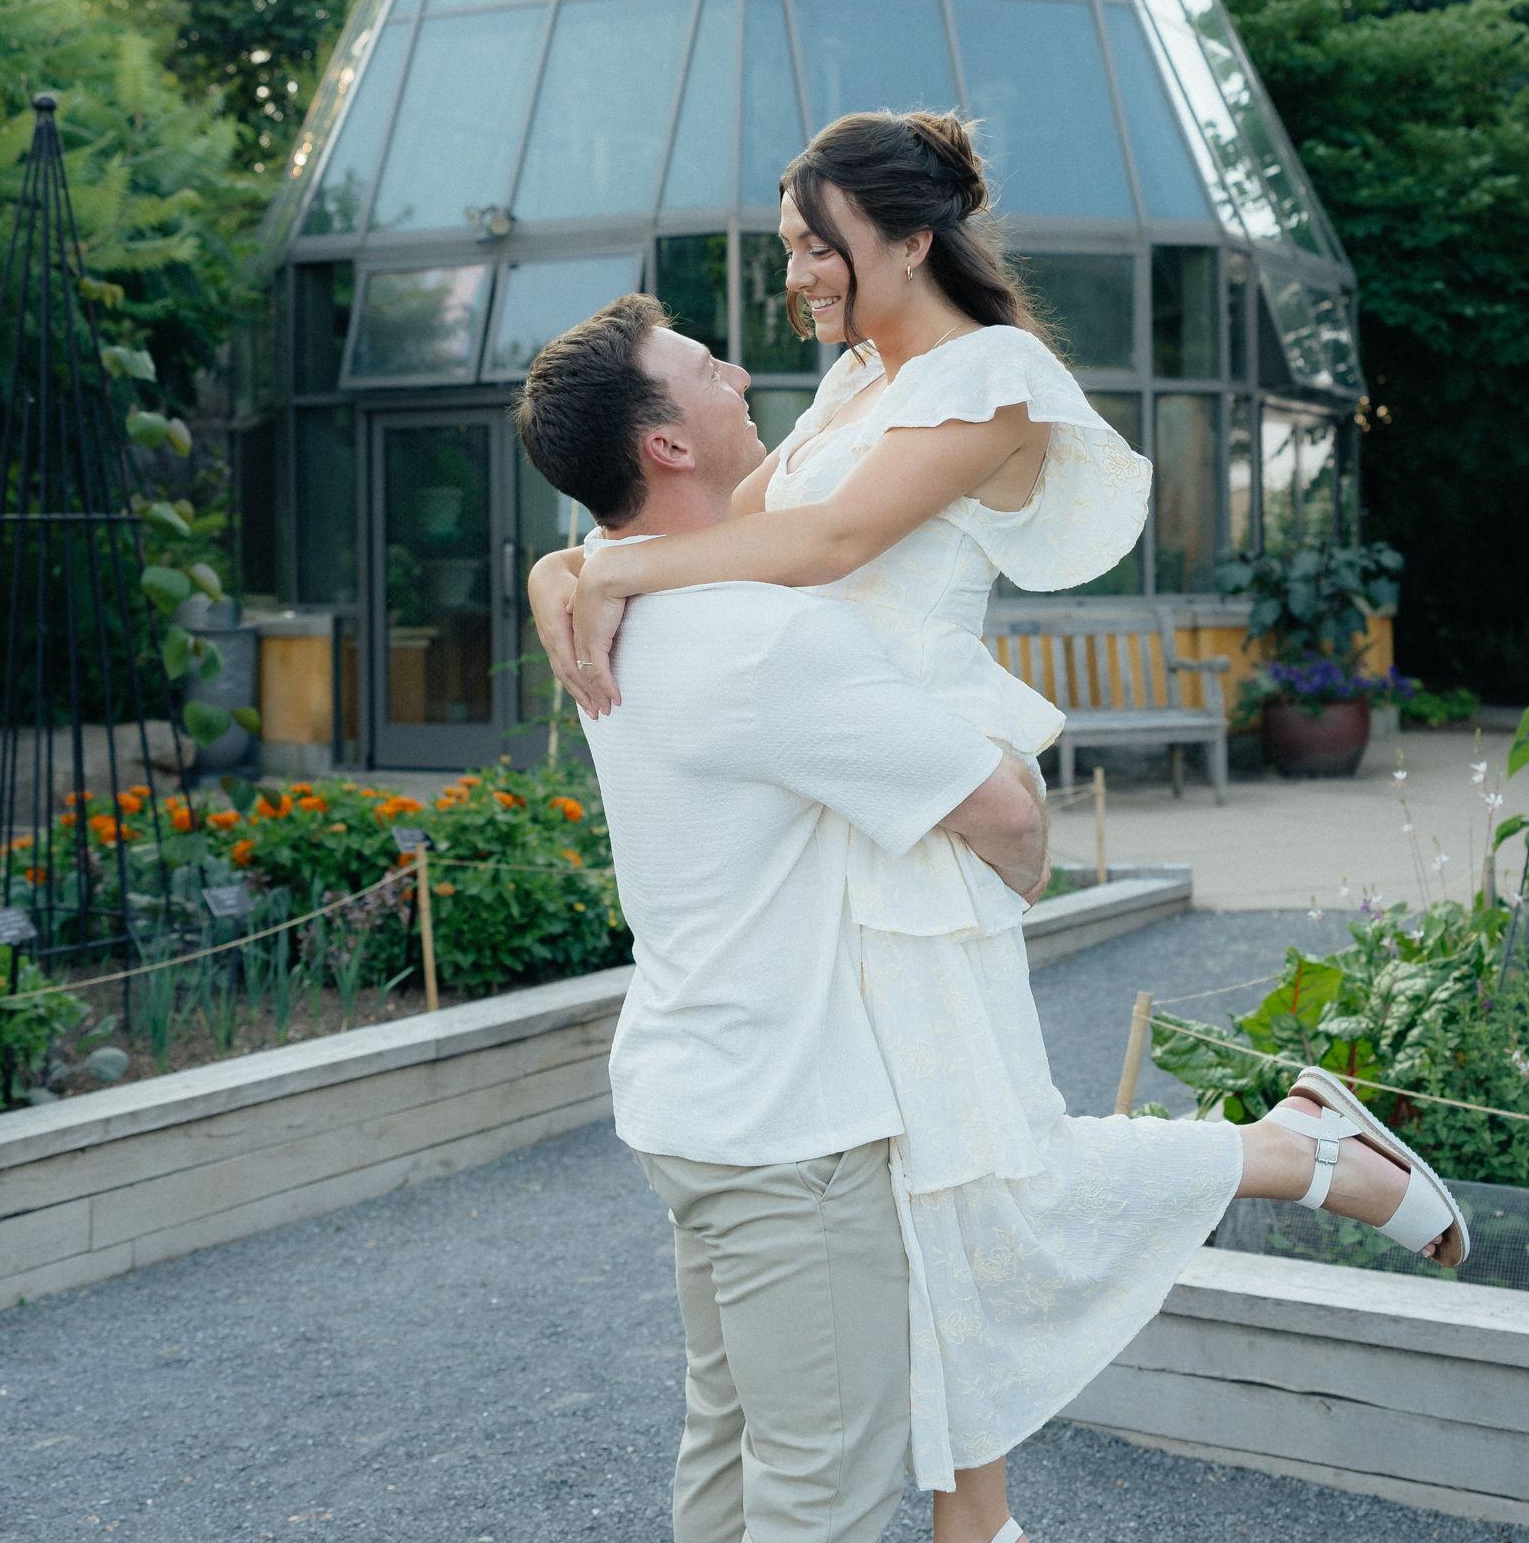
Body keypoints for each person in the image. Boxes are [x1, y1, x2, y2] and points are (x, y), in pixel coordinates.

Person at [530, 111, 1467, 1543]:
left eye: (817, 245)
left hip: (918, 800)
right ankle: (985, 1508)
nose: (795, 277)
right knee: (933, 1203)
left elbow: (825, 548)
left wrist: (604, 570)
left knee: (984, 1177)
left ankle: (1288, 1155)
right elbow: (717, 532)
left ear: (910, 239)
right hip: (833, 794)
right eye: (788, 247)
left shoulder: (993, 379)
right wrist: (576, 563)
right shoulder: (852, 385)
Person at [513, 293, 1055, 1543]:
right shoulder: (762, 636)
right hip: (790, 1128)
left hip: (690, 1099)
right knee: (823, 1488)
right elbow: (1006, 817)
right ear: (665, 443)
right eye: (708, 368)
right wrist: (1009, 862)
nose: (741, 375)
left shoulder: (606, 603)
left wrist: (559, 564)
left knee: (729, 1453)